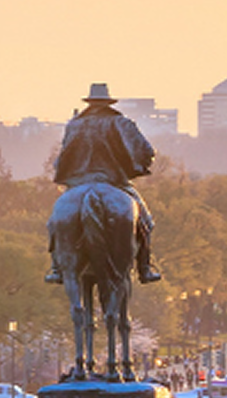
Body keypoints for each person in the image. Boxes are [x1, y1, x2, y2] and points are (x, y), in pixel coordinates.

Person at [45, 84, 160, 284]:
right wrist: (136, 167)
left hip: (78, 181)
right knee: (146, 221)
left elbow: (63, 157)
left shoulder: (74, 124)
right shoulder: (121, 122)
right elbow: (147, 151)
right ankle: (145, 268)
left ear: (89, 103)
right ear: (108, 103)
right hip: (113, 181)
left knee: (54, 223)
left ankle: (56, 268)